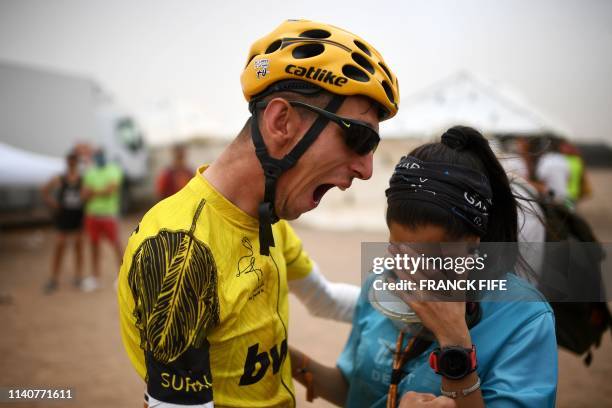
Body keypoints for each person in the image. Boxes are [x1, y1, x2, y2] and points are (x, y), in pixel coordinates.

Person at [117, 19, 448, 408]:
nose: (366, 170)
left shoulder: (266, 218)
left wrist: (436, 307)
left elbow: (324, 299)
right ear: (281, 122)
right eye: (359, 139)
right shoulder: (182, 248)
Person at [290, 126, 558, 407]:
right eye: (398, 251)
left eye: (430, 258)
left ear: (472, 242)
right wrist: (287, 358)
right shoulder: (381, 284)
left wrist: (455, 343)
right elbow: (355, 391)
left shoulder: (524, 318)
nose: (409, 271)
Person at [41, 151, 85, 293]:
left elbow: (86, 195)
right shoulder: (60, 178)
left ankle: (78, 276)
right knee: (60, 245)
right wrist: (53, 204)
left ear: (77, 162)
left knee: (78, 246)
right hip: (63, 216)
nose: (72, 163)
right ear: (67, 162)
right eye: (70, 160)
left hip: (77, 216)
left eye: (74, 160)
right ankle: (54, 277)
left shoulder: (82, 179)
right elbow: (44, 190)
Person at [81, 149, 124, 292]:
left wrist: (93, 192)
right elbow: (85, 194)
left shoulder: (114, 170)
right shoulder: (90, 172)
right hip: (92, 215)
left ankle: (122, 276)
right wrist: (100, 192)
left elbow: (111, 191)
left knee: (116, 245)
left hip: (109, 215)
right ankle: (95, 277)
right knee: (94, 245)